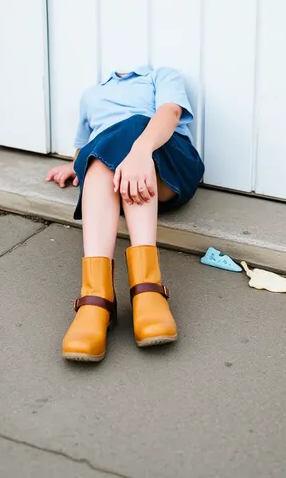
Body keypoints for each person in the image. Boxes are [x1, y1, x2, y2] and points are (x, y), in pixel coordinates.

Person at [46, 65, 204, 362]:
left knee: (132, 126)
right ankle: (98, 296)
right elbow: (84, 146)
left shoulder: (160, 75)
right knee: (101, 153)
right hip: (113, 174)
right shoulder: (91, 95)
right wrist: (73, 165)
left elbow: (169, 114)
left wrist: (140, 152)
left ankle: (146, 288)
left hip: (164, 165)